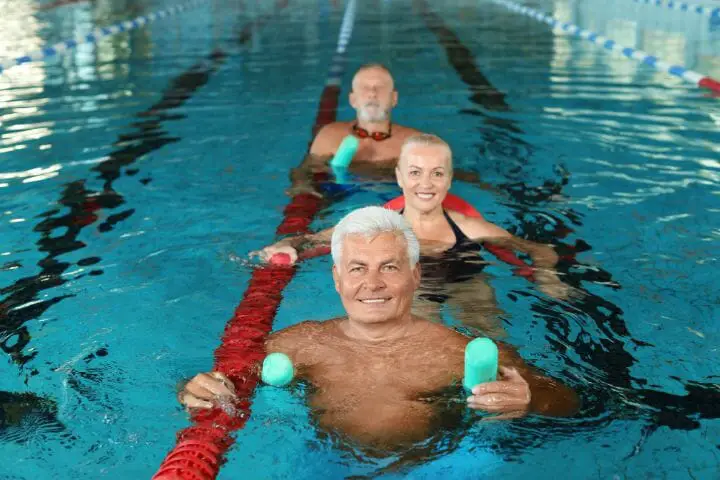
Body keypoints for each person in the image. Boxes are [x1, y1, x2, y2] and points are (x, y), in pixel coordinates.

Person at [180, 207, 579, 449]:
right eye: (358, 269)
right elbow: (227, 383)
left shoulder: (457, 351)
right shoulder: (299, 343)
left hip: (440, 465)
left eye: (388, 266)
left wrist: (530, 400)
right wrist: (193, 390)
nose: (372, 284)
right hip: (324, 463)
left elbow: (573, 405)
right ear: (337, 279)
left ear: (414, 275)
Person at [259, 134, 574, 335]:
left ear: (449, 180)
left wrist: (548, 277)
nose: (426, 183)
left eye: (437, 174)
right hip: (416, 286)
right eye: (415, 173)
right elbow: (312, 239)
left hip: (468, 281)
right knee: (422, 338)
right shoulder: (378, 224)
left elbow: (539, 249)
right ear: (399, 177)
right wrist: (287, 243)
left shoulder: (469, 227)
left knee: (488, 337)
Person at [289, 64, 489, 197]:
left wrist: (482, 185)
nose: (372, 93)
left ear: (394, 99)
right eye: (365, 88)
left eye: (380, 87)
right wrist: (301, 187)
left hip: (395, 197)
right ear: (353, 100)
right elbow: (304, 171)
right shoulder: (329, 136)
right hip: (338, 197)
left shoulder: (413, 142)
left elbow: (444, 175)